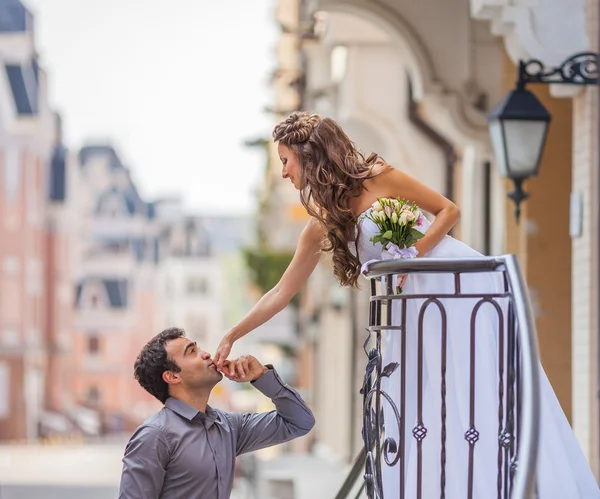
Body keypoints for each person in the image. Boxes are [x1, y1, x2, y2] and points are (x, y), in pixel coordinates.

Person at [214, 112, 600, 498]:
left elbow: (448, 210)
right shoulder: (322, 223)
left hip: (455, 293)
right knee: (427, 406)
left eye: (284, 160)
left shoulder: (378, 176)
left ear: (308, 154)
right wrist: (233, 334)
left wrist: (411, 254)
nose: (283, 172)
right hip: (410, 316)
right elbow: (281, 292)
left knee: (479, 386)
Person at [118, 327, 315, 499]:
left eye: (199, 348)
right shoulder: (154, 436)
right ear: (172, 376)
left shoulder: (227, 426)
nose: (205, 354)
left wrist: (262, 376)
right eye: (192, 352)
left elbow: (299, 421)